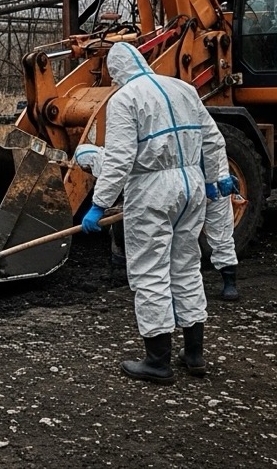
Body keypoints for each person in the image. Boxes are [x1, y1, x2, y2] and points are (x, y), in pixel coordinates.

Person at [79, 42, 229, 384]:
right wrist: (212, 179)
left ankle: (157, 361)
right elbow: (213, 139)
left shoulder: (124, 99)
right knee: (187, 266)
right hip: (190, 186)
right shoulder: (183, 89)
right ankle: (194, 355)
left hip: (152, 191)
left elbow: (119, 160)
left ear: (115, 72)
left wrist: (99, 204)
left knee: (151, 272)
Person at [75, 143, 240, 301]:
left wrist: (218, 178)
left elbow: (213, 149)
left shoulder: (115, 163)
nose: (87, 171)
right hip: (183, 191)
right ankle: (174, 286)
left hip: (212, 187)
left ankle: (229, 282)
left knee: (220, 233)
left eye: (86, 168)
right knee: (180, 242)